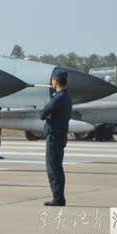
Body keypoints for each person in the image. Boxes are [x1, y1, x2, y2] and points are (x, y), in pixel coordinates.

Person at [41, 70, 73, 206]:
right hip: (60, 135)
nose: (51, 82)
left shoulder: (58, 98)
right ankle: (59, 196)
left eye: (52, 80)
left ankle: (58, 197)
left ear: (56, 81)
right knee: (58, 167)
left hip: (54, 136)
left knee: (53, 168)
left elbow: (43, 113)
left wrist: (47, 115)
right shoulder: (67, 97)